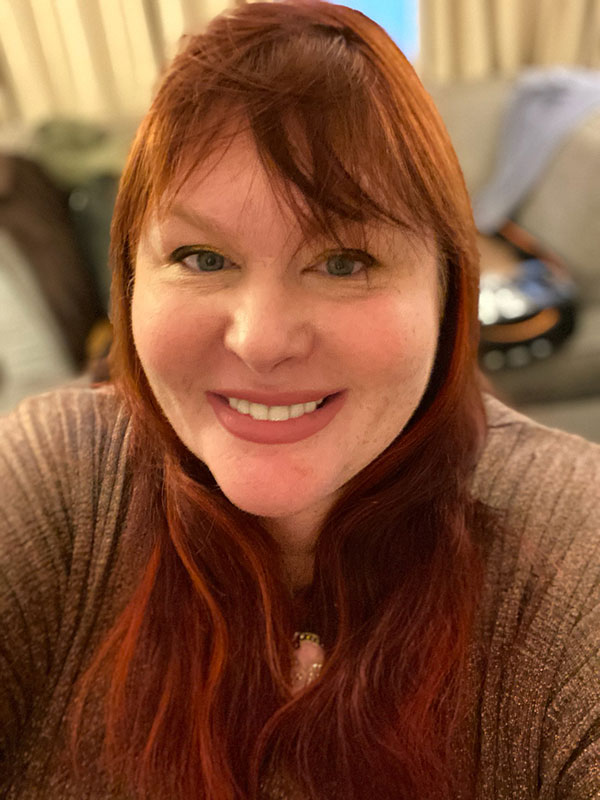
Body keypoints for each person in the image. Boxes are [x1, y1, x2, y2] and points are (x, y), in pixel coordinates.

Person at [0, 2, 599, 799]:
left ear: (446, 291)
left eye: (344, 262)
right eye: (202, 256)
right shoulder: (59, 482)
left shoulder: (571, 548)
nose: (261, 340)